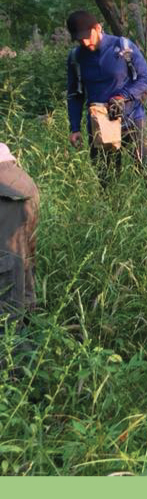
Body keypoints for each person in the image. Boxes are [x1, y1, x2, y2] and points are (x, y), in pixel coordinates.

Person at [65, 10, 147, 183]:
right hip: (99, 123)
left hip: (132, 119)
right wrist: (74, 127)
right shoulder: (76, 57)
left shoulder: (123, 47)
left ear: (98, 28)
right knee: (106, 177)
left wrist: (123, 96)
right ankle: (111, 206)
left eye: (87, 36)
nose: (84, 41)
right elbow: (75, 94)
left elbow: (145, 78)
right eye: (79, 38)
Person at [0, 142, 39, 356]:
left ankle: (14, 370)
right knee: (21, 269)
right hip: (15, 178)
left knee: (7, 289)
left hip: (6, 190)